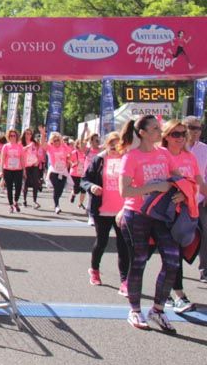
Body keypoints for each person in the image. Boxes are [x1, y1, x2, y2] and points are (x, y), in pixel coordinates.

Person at [118, 115, 180, 332]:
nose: (159, 131)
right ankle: (134, 310)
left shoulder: (164, 154)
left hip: (161, 215)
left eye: (159, 128)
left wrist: (180, 192)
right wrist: (153, 187)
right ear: (142, 132)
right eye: (154, 128)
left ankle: (158, 310)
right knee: (139, 260)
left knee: (172, 259)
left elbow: (177, 178)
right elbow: (124, 191)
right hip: (136, 213)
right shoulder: (131, 157)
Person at [159, 118, 202, 314]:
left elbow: (197, 182)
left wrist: (187, 192)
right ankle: (179, 296)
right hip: (164, 213)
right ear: (166, 136)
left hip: (185, 213)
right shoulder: (161, 155)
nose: (180, 138)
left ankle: (165, 293)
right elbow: (160, 182)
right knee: (171, 255)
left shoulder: (189, 157)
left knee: (175, 254)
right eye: (175, 134)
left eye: (182, 134)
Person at [81, 132, 129, 291]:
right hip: (102, 210)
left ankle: (124, 280)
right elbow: (84, 180)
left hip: (121, 211)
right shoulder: (99, 160)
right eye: (112, 144)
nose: (115, 147)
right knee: (101, 242)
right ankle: (94, 270)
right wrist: (92, 187)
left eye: (118, 144)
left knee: (123, 246)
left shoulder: (127, 160)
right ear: (106, 145)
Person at [182, 115, 207, 282]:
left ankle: (204, 270)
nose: (197, 131)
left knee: (205, 233)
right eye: (193, 127)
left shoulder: (204, 149)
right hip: (180, 200)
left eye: (199, 128)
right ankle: (174, 270)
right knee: (178, 236)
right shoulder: (176, 148)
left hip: (200, 199)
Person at [42, 132, 71, 214]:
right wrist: (43, 135)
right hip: (54, 171)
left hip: (63, 170)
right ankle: (57, 206)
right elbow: (43, 144)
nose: (56, 142)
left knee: (60, 189)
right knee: (56, 187)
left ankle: (56, 201)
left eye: (57, 140)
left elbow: (70, 152)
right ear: (52, 141)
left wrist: (69, 161)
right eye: (54, 141)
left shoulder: (64, 147)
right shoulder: (50, 148)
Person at [0, 129, 24, 213]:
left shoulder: (20, 146)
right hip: (8, 169)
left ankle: (15, 201)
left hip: (18, 169)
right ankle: (10, 205)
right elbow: (2, 159)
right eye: (11, 136)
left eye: (14, 135)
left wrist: (24, 171)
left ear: (17, 137)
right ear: (8, 137)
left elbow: (22, 159)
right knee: (9, 188)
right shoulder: (6, 146)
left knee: (18, 187)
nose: (12, 137)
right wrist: (1, 171)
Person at [21, 127, 43, 208]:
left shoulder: (35, 143)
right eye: (27, 133)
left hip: (34, 165)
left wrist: (38, 161)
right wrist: (27, 147)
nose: (28, 135)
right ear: (24, 134)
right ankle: (24, 200)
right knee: (25, 183)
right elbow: (20, 151)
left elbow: (39, 153)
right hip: (25, 166)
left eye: (30, 133)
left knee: (35, 183)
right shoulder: (22, 143)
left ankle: (34, 201)